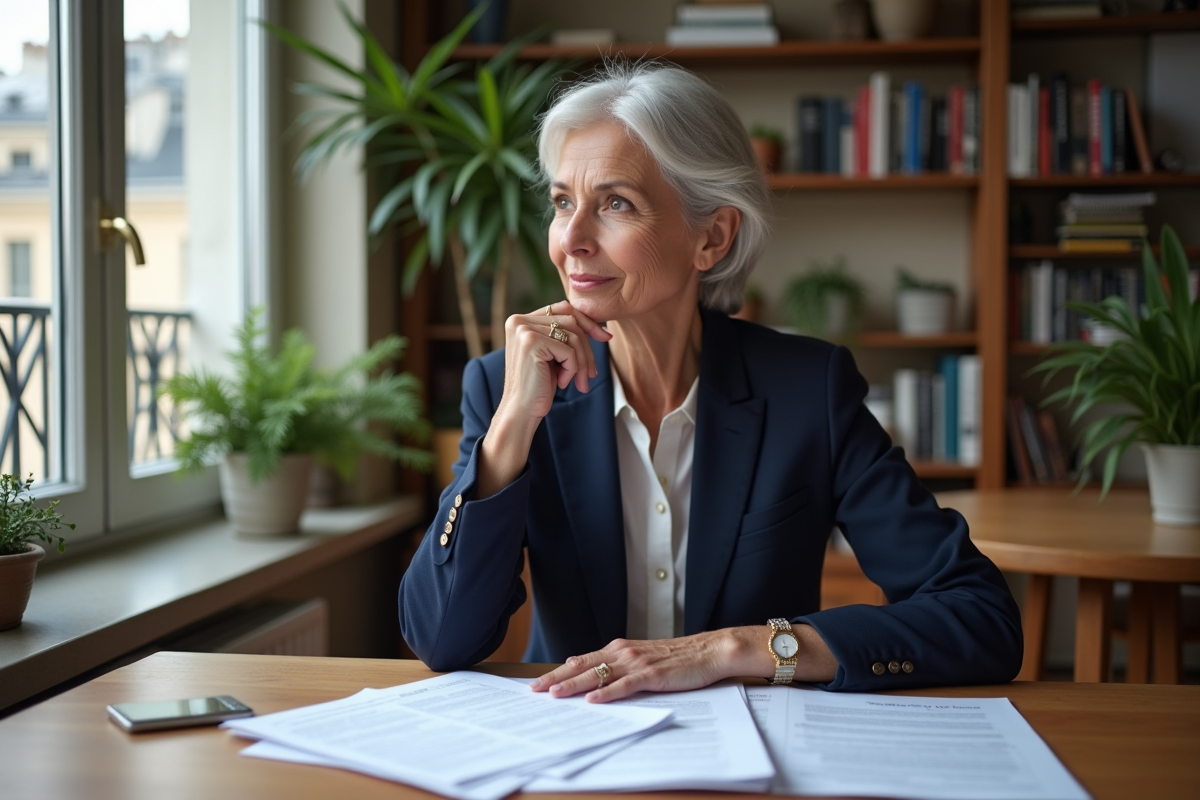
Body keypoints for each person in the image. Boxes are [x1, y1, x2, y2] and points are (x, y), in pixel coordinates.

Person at [398, 61, 1022, 702]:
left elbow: (981, 617)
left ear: (712, 238)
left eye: (615, 204)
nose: (572, 241)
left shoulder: (809, 390)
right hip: (575, 744)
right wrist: (510, 430)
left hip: (763, 756)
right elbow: (441, 639)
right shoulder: (503, 387)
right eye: (563, 202)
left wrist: (735, 648)